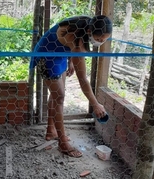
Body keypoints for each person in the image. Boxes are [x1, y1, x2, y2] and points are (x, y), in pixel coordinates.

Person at [29, 15, 113, 157]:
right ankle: (63, 144)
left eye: (105, 39)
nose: (101, 42)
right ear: (89, 32)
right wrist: (96, 104)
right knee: (59, 97)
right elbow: (83, 80)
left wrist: (71, 60)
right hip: (46, 54)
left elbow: (70, 44)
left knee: (56, 95)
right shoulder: (77, 42)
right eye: (99, 39)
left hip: (61, 54)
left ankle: (51, 131)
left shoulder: (88, 24)